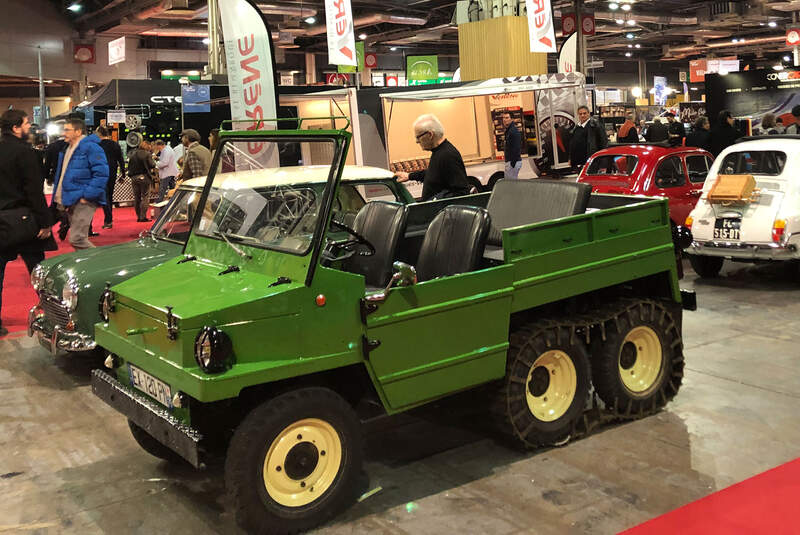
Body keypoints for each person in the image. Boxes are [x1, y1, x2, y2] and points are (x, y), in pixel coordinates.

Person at [0, 110, 56, 336]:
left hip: (2, 220)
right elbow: (33, 191)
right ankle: (55, 316)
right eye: (26, 124)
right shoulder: (25, 153)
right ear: (16, 128)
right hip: (25, 222)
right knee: (40, 273)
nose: (29, 128)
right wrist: (45, 222)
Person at [52, 118, 108, 249]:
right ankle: (90, 268)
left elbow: (101, 173)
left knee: (77, 238)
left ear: (78, 131)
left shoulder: (91, 147)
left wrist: (87, 196)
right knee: (78, 239)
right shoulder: (68, 148)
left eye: (67, 130)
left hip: (83, 200)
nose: (63, 133)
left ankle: (101, 264)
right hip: (72, 199)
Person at [395, 114, 470, 200]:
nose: (417, 141)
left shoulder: (448, 155)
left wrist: (433, 201)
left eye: (418, 137)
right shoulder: (438, 152)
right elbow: (433, 174)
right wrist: (409, 176)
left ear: (430, 135)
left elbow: (461, 191)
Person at [95, 126, 125, 229]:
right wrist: (123, 174)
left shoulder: (97, 145)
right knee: (110, 195)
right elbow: (121, 159)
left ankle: (108, 220)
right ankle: (108, 219)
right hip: (112, 172)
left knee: (104, 196)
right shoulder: (115, 144)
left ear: (99, 134)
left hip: (100, 173)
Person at [568, 105, 608, 170]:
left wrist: (603, 163)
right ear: (578, 115)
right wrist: (570, 159)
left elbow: (603, 144)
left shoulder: (596, 126)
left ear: (589, 113)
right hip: (578, 162)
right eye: (580, 114)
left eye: (584, 113)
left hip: (591, 162)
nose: (582, 115)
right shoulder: (576, 127)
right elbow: (572, 144)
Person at [127, 140, 157, 222]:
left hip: (134, 178)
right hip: (144, 177)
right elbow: (152, 165)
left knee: (137, 198)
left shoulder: (132, 154)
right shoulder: (147, 154)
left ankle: (138, 216)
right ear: (147, 146)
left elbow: (129, 167)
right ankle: (143, 217)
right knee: (145, 196)